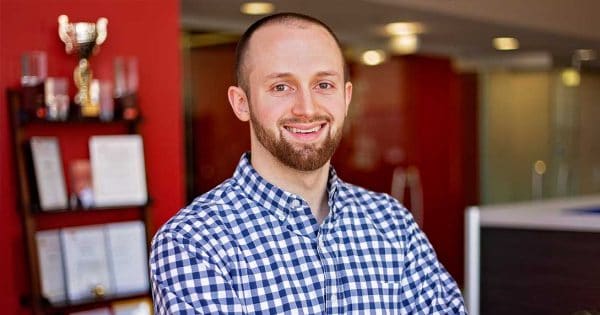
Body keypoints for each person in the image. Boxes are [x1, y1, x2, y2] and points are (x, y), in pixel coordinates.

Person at [150, 12, 466, 314]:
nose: (306, 108)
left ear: (346, 97)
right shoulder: (193, 242)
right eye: (281, 87)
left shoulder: (393, 224)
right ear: (241, 103)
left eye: (323, 85)